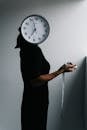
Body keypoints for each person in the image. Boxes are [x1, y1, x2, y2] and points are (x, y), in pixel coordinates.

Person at [15, 30, 76, 130]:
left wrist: (61, 70)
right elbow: (35, 81)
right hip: (36, 103)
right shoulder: (33, 51)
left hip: (32, 100)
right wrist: (60, 71)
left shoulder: (25, 50)